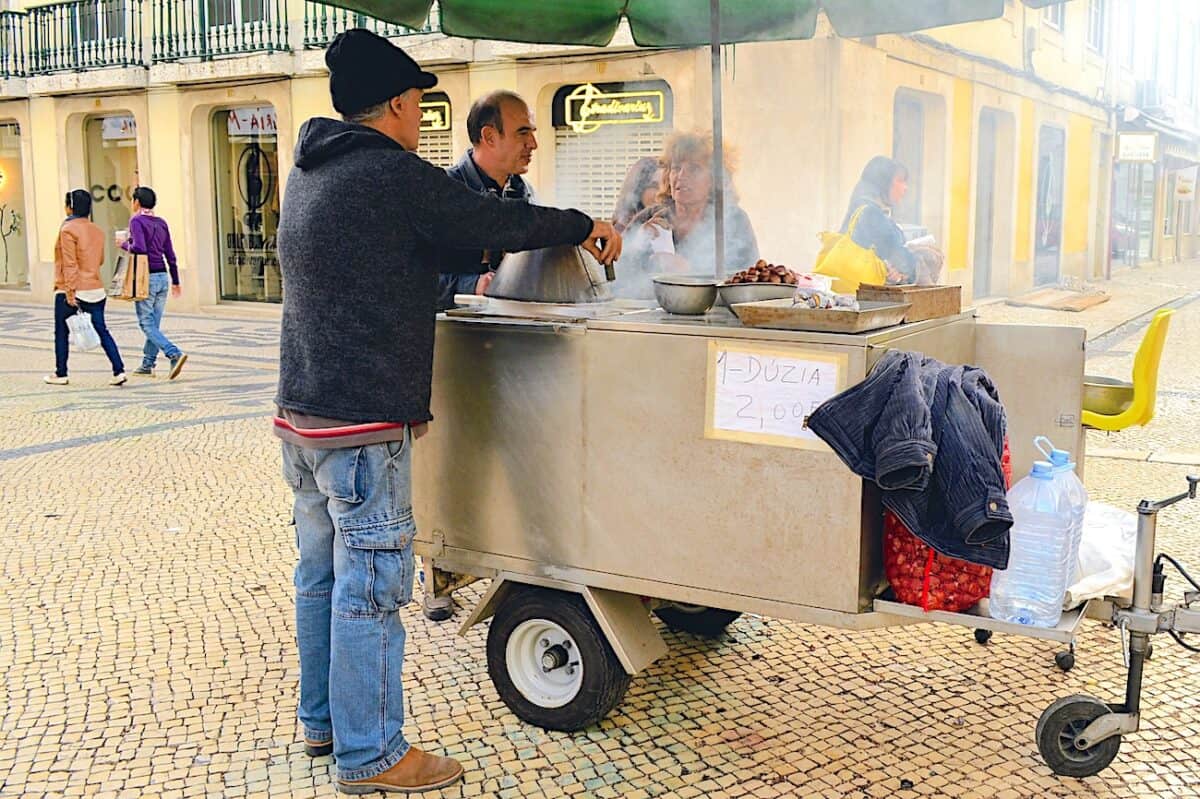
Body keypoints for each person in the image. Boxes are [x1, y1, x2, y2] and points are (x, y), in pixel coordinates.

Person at [274, 29, 620, 795]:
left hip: (301, 414)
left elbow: (367, 261)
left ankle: (323, 722)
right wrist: (580, 225)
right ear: (397, 104)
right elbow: (493, 224)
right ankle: (372, 754)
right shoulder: (390, 173)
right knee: (370, 584)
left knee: (321, 577)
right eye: (418, 105)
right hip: (362, 423)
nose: (419, 118)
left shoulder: (308, 172)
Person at [619, 132, 759, 299]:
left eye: (694, 169)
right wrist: (638, 241)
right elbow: (617, 275)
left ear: (715, 180)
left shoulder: (732, 220)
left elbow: (749, 281)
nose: (681, 176)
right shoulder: (649, 217)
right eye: (676, 168)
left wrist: (689, 273)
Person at [437, 90, 539, 310]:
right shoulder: (443, 192)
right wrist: (471, 284)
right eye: (522, 133)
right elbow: (411, 275)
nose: (533, 144)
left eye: (532, 132)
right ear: (489, 137)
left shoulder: (525, 193)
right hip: (455, 336)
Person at [44, 190, 127, 387]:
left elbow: (69, 263)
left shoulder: (67, 230)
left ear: (69, 207)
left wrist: (71, 292)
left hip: (72, 289)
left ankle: (61, 373)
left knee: (61, 332)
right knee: (102, 330)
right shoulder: (97, 230)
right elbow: (99, 260)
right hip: (96, 288)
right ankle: (119, 370)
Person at [119, 186, 187, 379]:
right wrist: (175, 280)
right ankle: (148, 364)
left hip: (146, 277)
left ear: (137, 202)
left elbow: (139, 248)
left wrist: (124, 244)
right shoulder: (161, 222)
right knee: (153, 323)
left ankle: (174, 353)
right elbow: (170, 254)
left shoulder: (137, 221)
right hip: (163, 276)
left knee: (146, 323)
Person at [838, 156, 939, 285]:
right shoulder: (872, 214)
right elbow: (901, 260)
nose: (905, 187)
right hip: (862, 295)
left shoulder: (862, 207)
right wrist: (919, 258)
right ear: (884, 183)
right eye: (901, 181)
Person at [611, 156, 661, 233]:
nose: (661, 192)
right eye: (654, 186)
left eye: (666, 185)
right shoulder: (622, 226)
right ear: (637, 188)